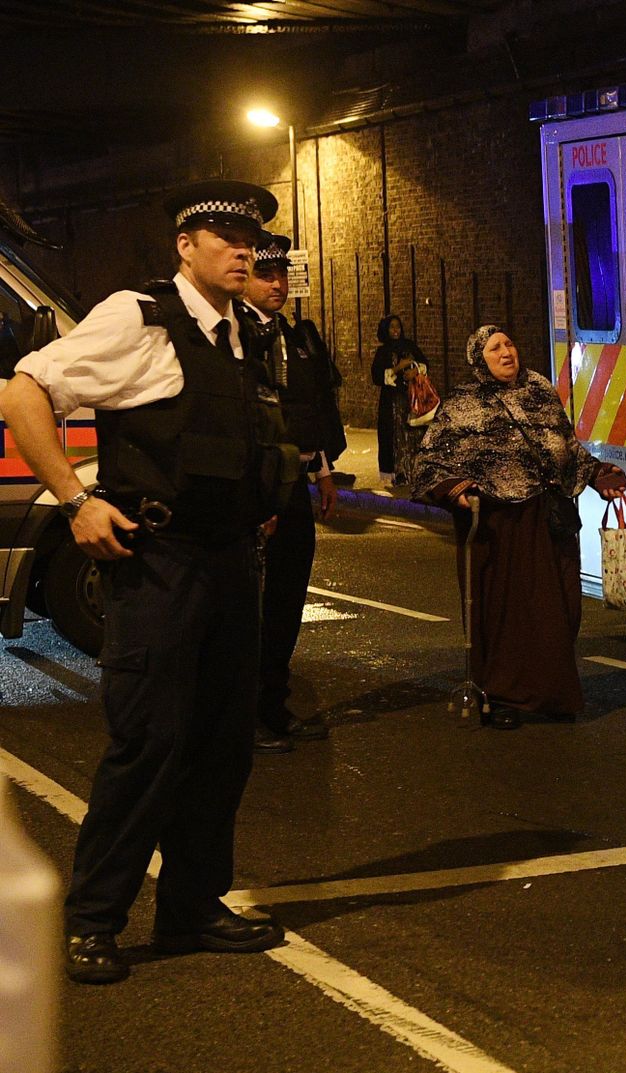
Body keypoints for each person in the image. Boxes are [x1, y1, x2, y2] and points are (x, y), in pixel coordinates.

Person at [0, 180, 297, 984]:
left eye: (252, 240)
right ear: (186, 245)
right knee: (149, 745)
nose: (244, 250)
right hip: (159, 567)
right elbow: (25, 390)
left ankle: (192, 907)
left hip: (233, 563)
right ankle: (92, 921)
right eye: (226, 237)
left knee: (221, 746)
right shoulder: (140, 314)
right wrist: (75, 499)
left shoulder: (245, 332)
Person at [412, 325, 626, 728]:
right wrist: (454, 489)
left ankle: (553, 694)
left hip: (549, 518)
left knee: (559, 610)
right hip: (500, 525)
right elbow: (429, 462)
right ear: (480, 359)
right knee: (509, 614)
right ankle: (504, 695)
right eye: (495, 348)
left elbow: (566, 445)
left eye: (509, 343)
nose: (507, 352)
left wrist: (597, 473)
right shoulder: (463, 405)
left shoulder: (539, 389)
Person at [242, 233, 344, 753]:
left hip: (293, 489)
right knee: (250, 608)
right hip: (253, 494)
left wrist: (323, 469)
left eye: (281, 274)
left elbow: (309, 411)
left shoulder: (295, 337)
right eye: (266, 275)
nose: (277, 283)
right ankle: (244, 715)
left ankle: (273, 704)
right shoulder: (234, 337)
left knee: (285, 600)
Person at [370, 314, 428, 485]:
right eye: (391, 327)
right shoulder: (383, 351)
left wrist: (415, 371)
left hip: (411, 399)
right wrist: (398, 368)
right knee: (393, 437)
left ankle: (415, 471)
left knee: (413, 435)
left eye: (398, 327)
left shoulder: (410, 346)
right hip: (392, 402)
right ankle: (396, 474)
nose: (395, 330)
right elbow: (377, 376)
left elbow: (424, 363)